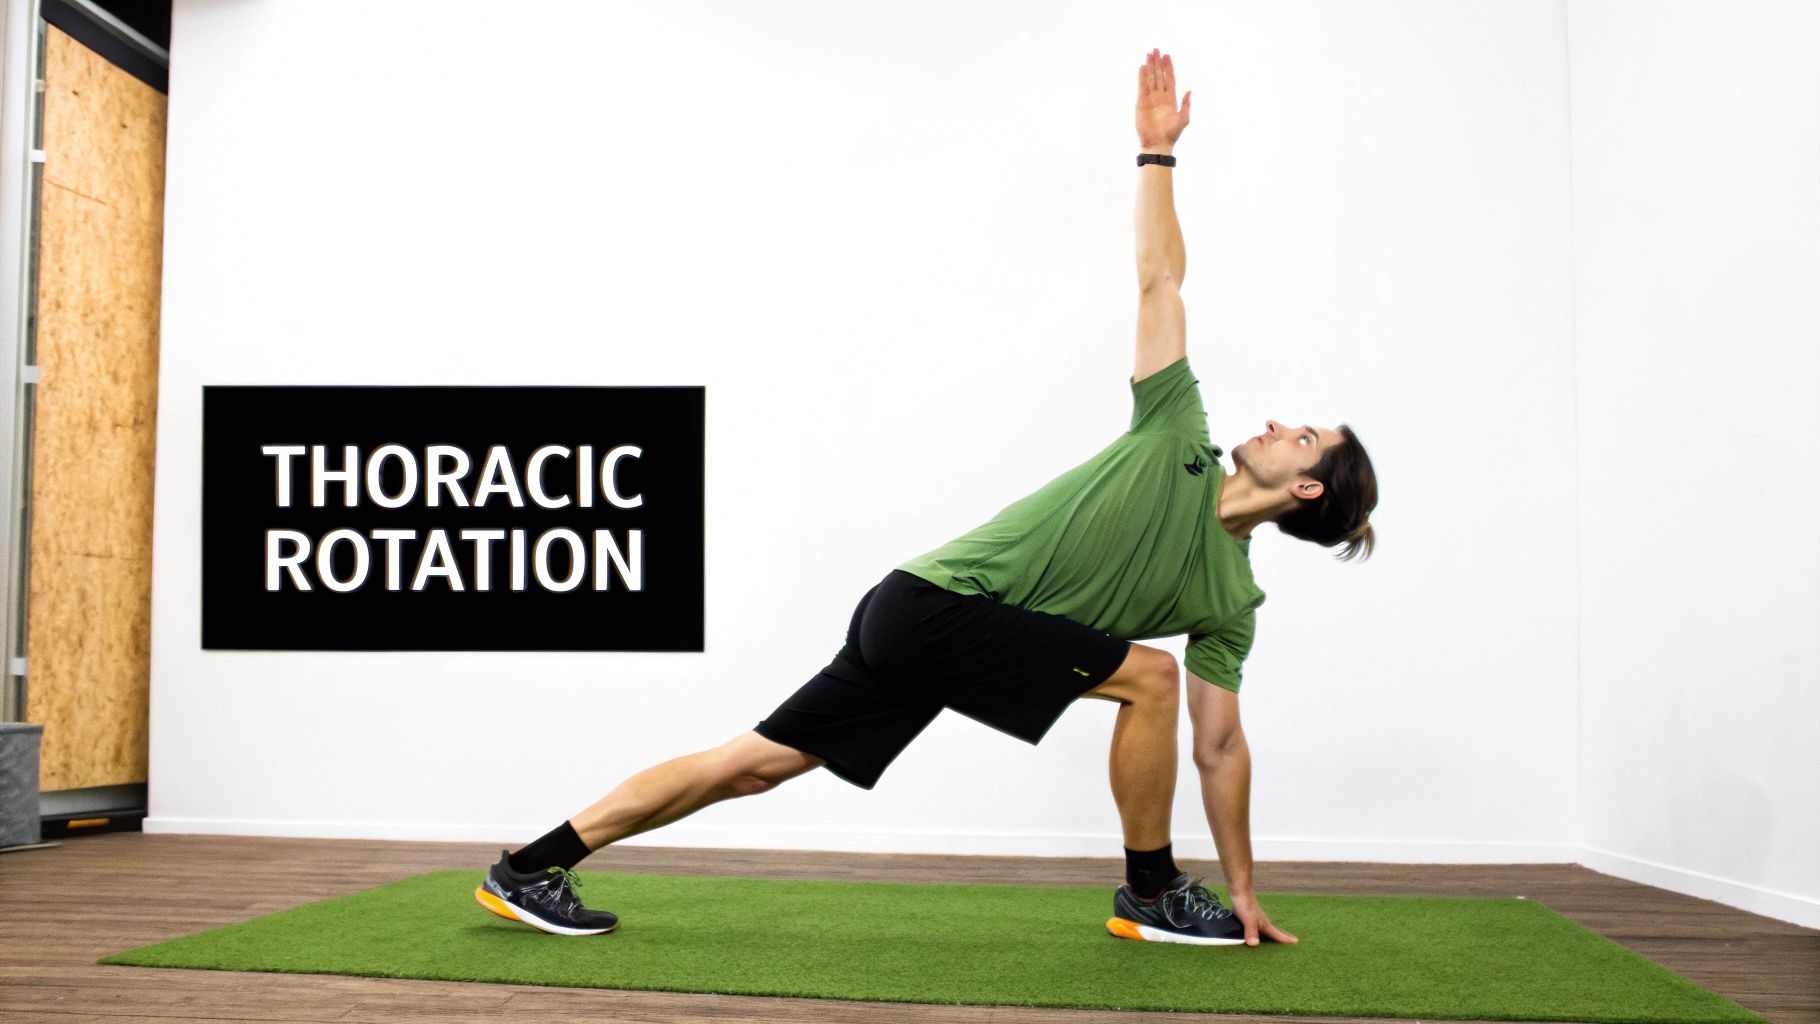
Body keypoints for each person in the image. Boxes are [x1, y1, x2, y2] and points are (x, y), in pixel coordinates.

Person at [474, 47, 1375, 948]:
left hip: (921, 622)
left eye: (1302, 438)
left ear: (1304, 488)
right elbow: (1161, 280)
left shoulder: (1231, 602)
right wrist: (1156, 155)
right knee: (1151, 674)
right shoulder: (1176, 432)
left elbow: (1218, 749)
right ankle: (1149, 891)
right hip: (931, 606)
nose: (1275, 424)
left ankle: (528, 867)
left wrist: (1247, 886)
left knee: (752, 765)